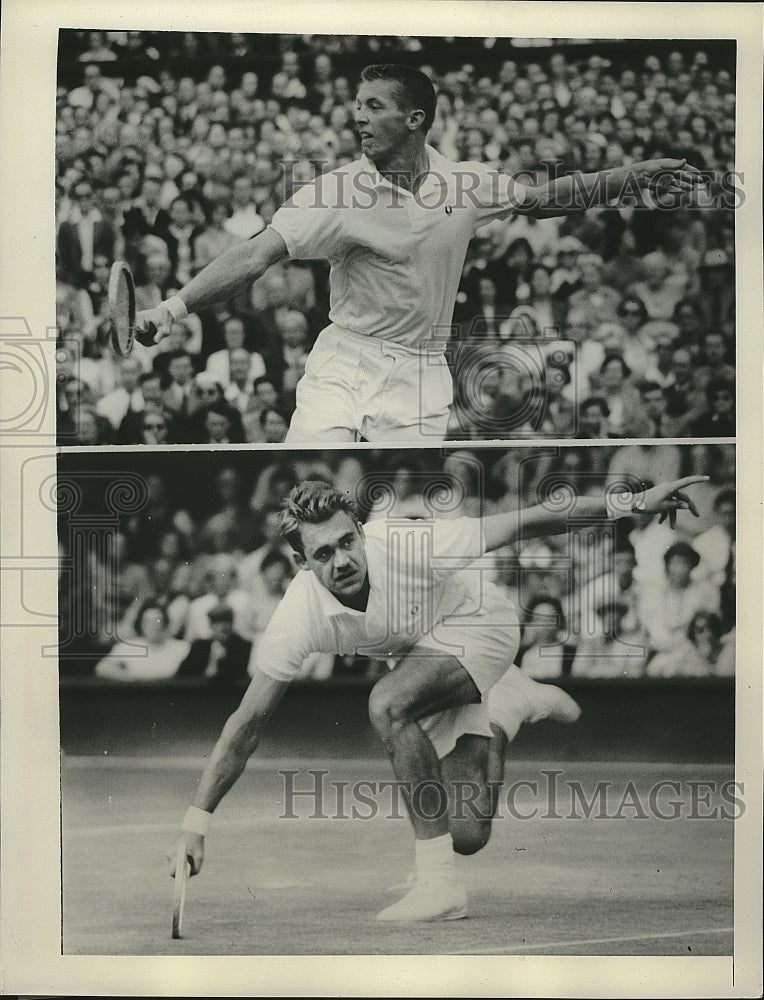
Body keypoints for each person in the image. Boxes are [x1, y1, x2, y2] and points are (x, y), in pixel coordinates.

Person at [167, 473, 706, 921]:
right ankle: (508, 708)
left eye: (347, 542)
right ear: (302, 563)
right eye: (323, 554)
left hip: (482, 626)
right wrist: (196, 824)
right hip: (424, 659)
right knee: (467, 832)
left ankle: (439, 886)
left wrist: (631, 502)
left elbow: (528, 518)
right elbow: (247, 723)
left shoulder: (406, 543)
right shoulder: (298, 615)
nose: (342, 561)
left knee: (387, 703)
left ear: (361, 530)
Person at [137, 64, 705, 443]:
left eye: (374, 106)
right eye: (357, 105)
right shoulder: (335, 192)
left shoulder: (466, 182)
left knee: (398, 514)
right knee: (310, 482)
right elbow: (256, 254)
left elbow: (542, 200)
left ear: (415, 120)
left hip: (420, 371)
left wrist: (630, 179)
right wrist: (171, 309)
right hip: (345, 361)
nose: (358, 116)